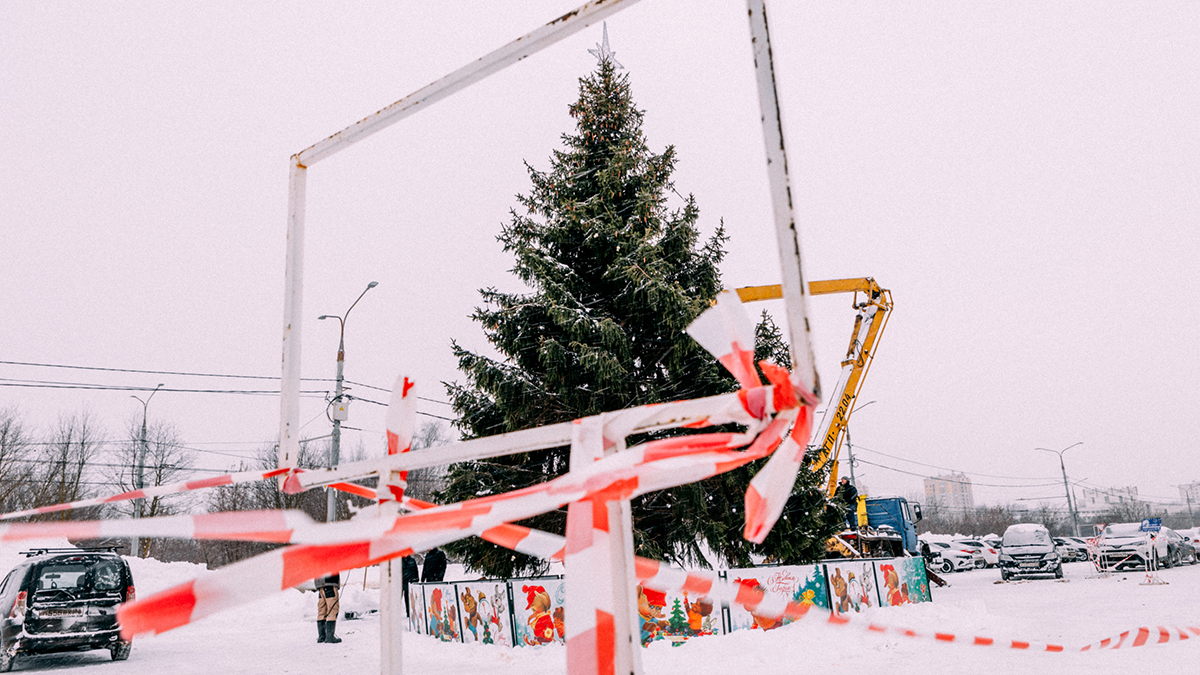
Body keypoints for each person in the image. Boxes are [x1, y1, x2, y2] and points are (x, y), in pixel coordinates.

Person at [314, 573, 342, 644]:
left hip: (320, 585)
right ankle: (330, 637)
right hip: (329, 583)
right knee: (332, 610)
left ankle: (322, 636)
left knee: (322, 611)